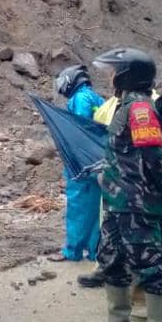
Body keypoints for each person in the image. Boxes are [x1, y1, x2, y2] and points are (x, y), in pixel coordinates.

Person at [90, 47, 162, 322]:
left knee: (148, 265)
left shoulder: (140, 108)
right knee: (111, 257)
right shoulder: (124, 106)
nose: (111, 76)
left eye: (115, 71)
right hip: (117, 200)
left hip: (137, 201)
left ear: (128, 75)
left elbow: (153, 155)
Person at [50, 65, 105, 263]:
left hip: (81, 165)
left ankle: (72, 251)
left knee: (78, 209)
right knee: (94, 211)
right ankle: (94, 251)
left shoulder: (80, 99)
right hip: (98, 161)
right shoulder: (96, 98)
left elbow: (78, 130)